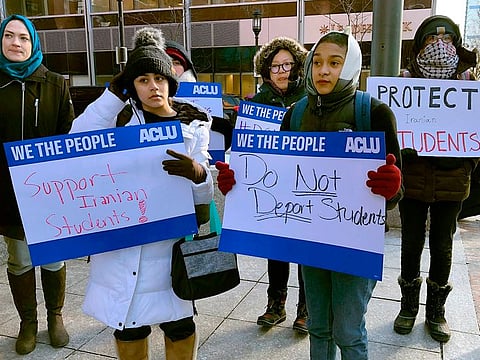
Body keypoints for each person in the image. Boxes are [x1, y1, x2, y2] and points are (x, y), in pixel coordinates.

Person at [216, 30, 402, 359]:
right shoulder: (295, 114)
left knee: (348, 330)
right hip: (311, 241)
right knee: (318, 326)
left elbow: (398, 191)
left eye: (334, 62)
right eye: (317, 62)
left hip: (353, 244)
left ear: (352, 66)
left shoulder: (374, 113)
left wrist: (391, 186)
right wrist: (239, 183)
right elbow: (275, 177)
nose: (324, 70)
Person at [69, 27, 213, 359]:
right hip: (124, 244)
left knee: (179, 324)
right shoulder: (118, 120)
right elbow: (76, 139)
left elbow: (204, 199)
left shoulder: (194, 124)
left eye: (159, 79)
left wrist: (199, 174)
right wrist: (112, 94)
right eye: (143, 79)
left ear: (170, 83)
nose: (153, 86)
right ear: (132, 86)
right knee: (129, 323)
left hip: (169, 246)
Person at [393, 15, 478, 343]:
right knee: (411, 243)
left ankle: (436, 312)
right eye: (431, 40)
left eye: (446, 39)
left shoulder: (469, 83)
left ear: (457, 44)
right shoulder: (405, 82)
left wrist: (467, 162)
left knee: (443, 246)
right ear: (419, 45)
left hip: (452, 180)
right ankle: (408, 307)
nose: (439, 46)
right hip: (413, 178)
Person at [0, 14, 74, 355]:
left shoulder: (56, 83)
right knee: (19, 260)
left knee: (54, 259)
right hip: (9, 194)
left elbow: (68, 136)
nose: (16, 43)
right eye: (9, 36)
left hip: (50, 193)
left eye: (23, 38)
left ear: (33, 43)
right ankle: (27, 323)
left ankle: (54, 316)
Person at [248, 36, 309, 333]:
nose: (282, 70)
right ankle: (276, 304)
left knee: (306, 251)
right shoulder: (256, 104)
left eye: (287, 64)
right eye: (275, 66)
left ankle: (306, 308)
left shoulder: (313, 100)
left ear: (298, 66)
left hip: (307, 185)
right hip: (272, 186)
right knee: (277, 249)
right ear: (266, 71)